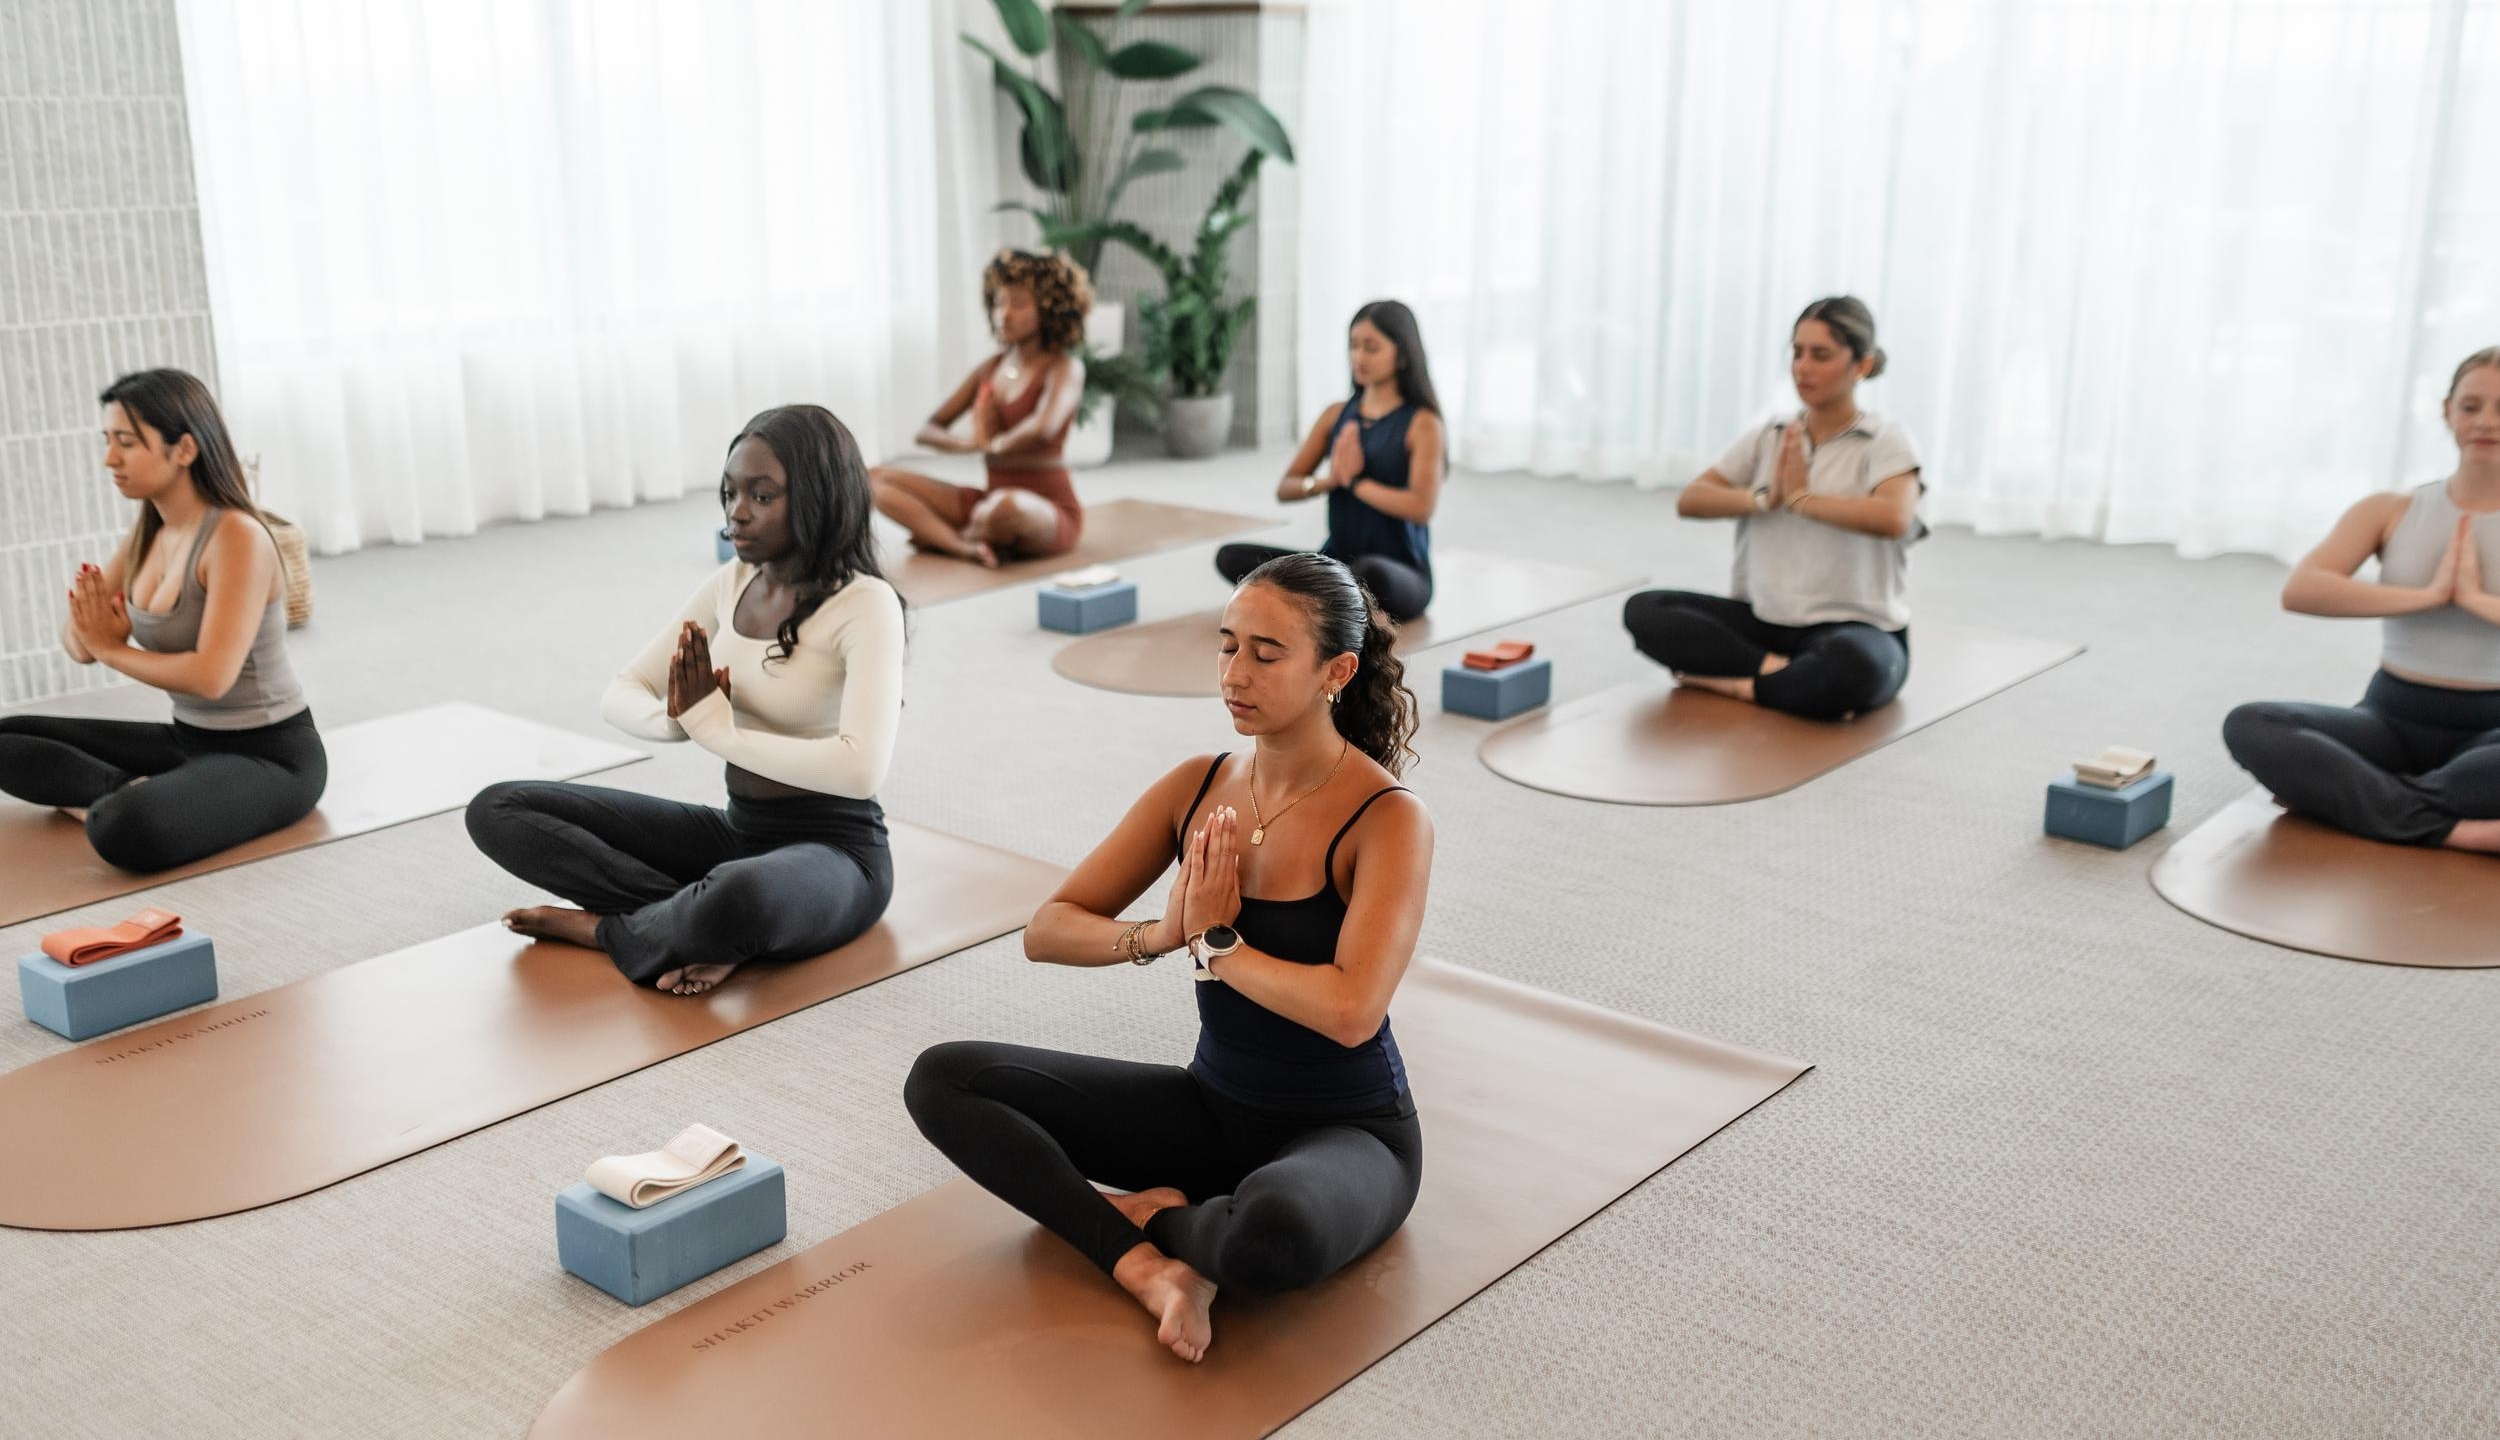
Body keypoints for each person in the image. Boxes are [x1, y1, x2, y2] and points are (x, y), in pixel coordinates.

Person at [905, 553, 1434, 1364]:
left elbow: (1350, 1010)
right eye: (1227, 646)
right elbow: (1048, 930)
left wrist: (1217, 944)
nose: (1234, 672)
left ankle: (1156, 1216)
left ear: (1337, 670)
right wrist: (1160, 933)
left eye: (1266, 653)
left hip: (1348, 1133)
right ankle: (1147, 1265)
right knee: (945, 1078)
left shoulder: (1385, 818)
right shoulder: (1198, 784)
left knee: (1271, 1237)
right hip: (1211, 1111)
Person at [464, 405, 905, 995]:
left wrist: (718, 732)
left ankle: (613, 931)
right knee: (498, 810)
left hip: (837, 854)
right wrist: (678, 720)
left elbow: (859, 768)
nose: (736, 512)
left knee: (741, 893)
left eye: (762, 495)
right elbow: (621, 691)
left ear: (821, 496)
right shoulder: (732, 585)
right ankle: (689, 923)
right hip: (737, 833)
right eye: (729, 493)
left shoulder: (866, 603)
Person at [0, 369, 325, 872]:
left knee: (124, 829)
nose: (110, 458)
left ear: (185, 449)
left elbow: (211, 677)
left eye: (127, 442)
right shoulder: (149, 532)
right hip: (187, 739)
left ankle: (124, 805)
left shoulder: (237, 537)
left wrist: (110, 647)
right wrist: (93, 634)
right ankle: (121, 790)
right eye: (107, 441)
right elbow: (80, 645)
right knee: (6, 737)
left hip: (272, 756)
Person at [2222, 347, 2500, 853]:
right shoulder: (2390, 509)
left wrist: (2478, 601)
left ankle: (2352, 798)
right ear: (2446, 412)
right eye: (2471, 406)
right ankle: (2456, 827)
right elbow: (2303, 589)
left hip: (2492, 733)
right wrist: (2428, 597)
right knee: (2252, 724)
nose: (2486, 422)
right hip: (2389, 721)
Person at [1623, 296, 1924, 720]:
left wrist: (1803, 500)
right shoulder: (1773, 434)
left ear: (1861, 365)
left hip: (1854, 628)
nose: (1802, 367)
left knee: (1856, 667)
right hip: (1764, 625)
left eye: (1820, 355)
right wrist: (1763, 498)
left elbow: (1894, 518)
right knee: (1646, 611)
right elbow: (1692, 499)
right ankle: (1778, 677)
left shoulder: (1884, 440)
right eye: (1797, 352)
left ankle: (1735, 683)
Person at [1213, 301, 1446, 622]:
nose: (1358, 357)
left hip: (1400, 571)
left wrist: (1355, 483)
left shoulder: (1423, 424)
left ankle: (1323, 600)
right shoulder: (1336, 414)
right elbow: (1287, 487)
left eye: (1371, 348)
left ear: (1402, 354)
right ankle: (1331, 599)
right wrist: (1329, 481)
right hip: (1335, 562)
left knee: (1368, 575)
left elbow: (1420, 506)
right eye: (1353, 346)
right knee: (1233, 558)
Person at [868, 250, 1091, 567]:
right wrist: (970, 445)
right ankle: (963, 546)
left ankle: (949, 535)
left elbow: (1045, 425)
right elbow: (928, 430)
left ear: (1048, 309)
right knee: (872, 479)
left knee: (1006, 508)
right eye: (999, 303)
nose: (1004, 314)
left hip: (1045, 509)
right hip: (988, 500)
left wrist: (996, 444)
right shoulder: (991, 367)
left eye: (1017, 304)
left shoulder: (1064, 367)